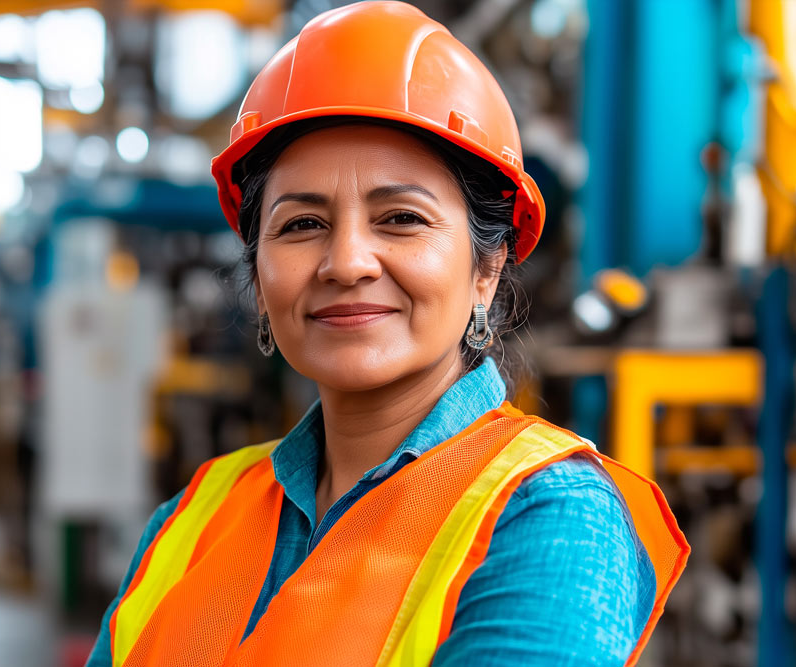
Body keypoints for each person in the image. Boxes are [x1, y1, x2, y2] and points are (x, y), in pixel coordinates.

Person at [87, 2, 688, 666]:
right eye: (300, 225)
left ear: (486, 268)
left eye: (401, 217)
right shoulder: (191, 519)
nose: (346, 262)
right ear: (258, 279)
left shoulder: (550, 516)